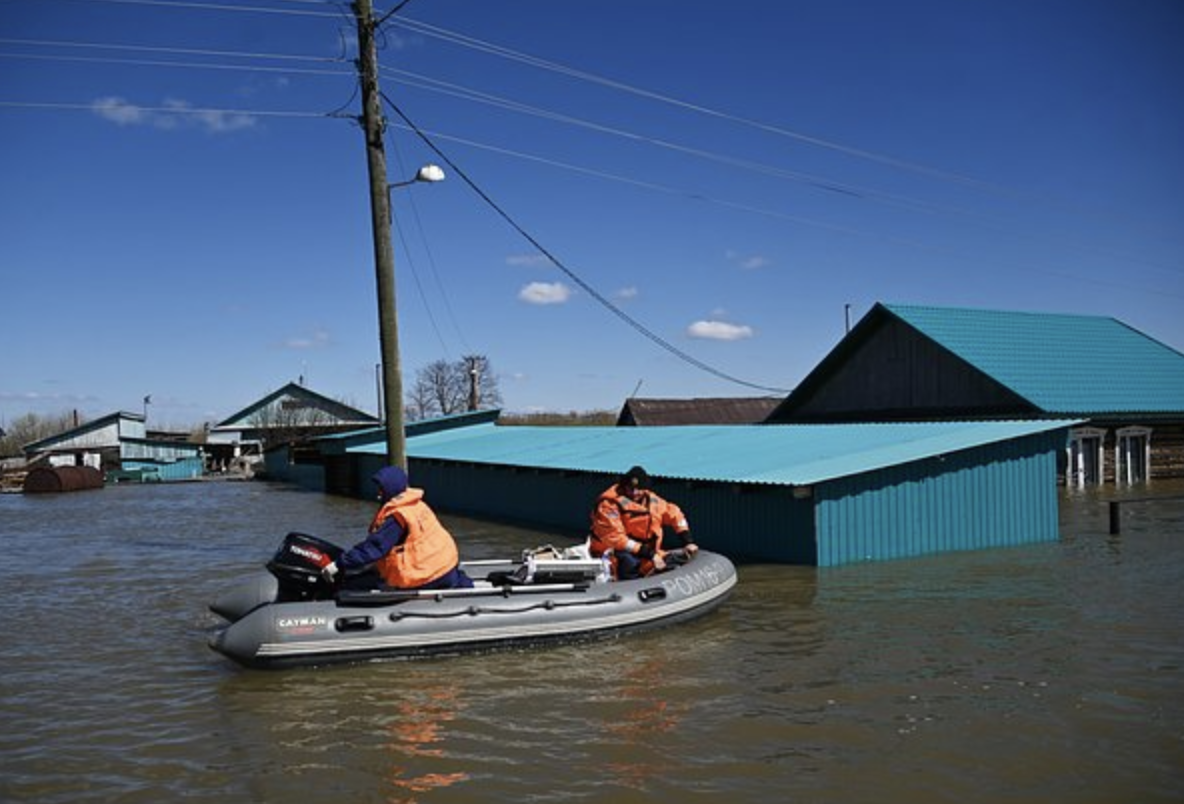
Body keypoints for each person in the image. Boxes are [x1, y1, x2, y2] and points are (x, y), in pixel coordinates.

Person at [321, 466, 473, 591]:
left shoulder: (397, 516)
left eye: (381, 489)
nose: (378, 495)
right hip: (446, 566)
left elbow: (374, 548)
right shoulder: (417, 505)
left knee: (352, 585)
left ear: (391, 489)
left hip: (427, 575)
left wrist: (339, 564)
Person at [589, 465, 698, 580]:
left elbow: (675, 515)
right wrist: (650, 554)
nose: (635, 493)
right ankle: (627, 587)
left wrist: (687, 540)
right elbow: (616, 538)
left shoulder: (653, 500)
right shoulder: (609, 505)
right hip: (614, 553)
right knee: (629, 561)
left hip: (646, 553)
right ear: (624, 486)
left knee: (673, 560)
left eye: (639, 489)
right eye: (630, 488)